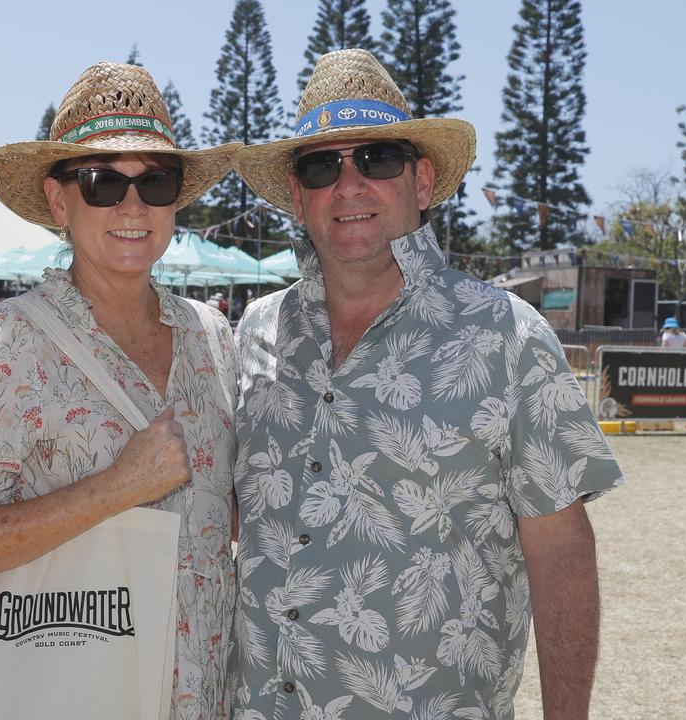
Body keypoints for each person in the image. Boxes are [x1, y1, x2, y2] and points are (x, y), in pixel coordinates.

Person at [226, 50, 625, 719]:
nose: (349, 185)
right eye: (322, 166)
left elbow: (561, 551)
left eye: (377, 158)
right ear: (298, 195)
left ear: (423, 179)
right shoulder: (254, 332)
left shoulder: (507, 335)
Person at [0, 61, 242, 719]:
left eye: (156, 181)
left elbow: (216, 515)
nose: (133, 206)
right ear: (59, 201)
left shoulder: (212, 338)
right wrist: (116, 488)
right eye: (102, 182)